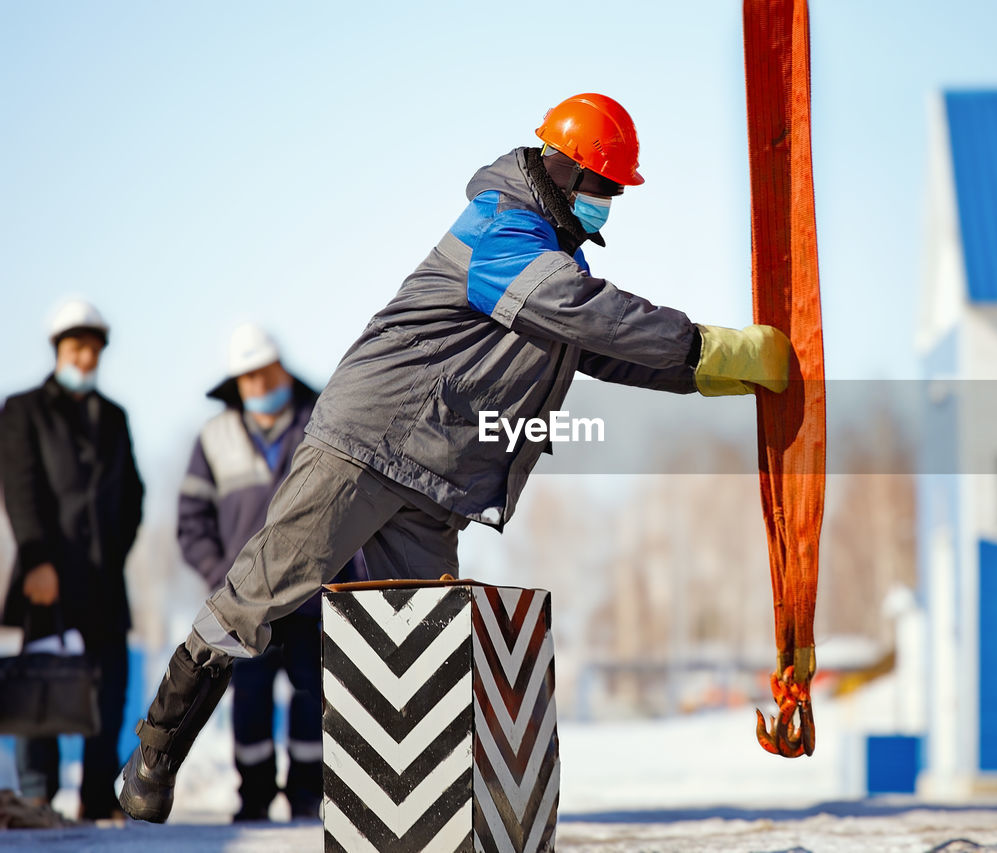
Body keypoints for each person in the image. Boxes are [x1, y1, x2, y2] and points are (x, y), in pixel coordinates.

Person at [119, 92, 790, 823]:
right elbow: (590, 312)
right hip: (364, 444)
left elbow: (598, 344)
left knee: (420, 647)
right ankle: (154, 754)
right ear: (565, 175)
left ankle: (401, 814)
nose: (611, 204)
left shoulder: (549, 259)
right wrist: (704, 342)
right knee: (259, 597)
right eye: (605, 187)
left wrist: (710, 373)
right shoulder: (500, 232)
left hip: (433, 477)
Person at [177, 323, 359, 821]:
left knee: (313, 697)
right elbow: (191, 525)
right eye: (247, 379)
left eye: (265, 374)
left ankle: (306, 795)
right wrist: (224, 580)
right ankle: (253, 797)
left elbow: (351, 506)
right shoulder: (214, 438)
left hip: (312, 598)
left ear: (282, 369)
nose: (258, 387)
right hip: (245, 604)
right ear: (235, 384)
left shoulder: (326, 419)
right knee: (249, 700)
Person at [1, 299, 144, 820]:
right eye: (75, 347)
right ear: (58, 349)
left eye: (93, 349)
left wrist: (113, 553)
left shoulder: (114, 416)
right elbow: (20, 489)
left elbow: (133, 495)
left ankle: (95, 796)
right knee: (41, 683)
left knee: (108, 692)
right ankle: (36, 794)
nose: (85, 357)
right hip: (48, 579)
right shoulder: (22, 410)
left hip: (104, 582)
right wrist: (37, 559)